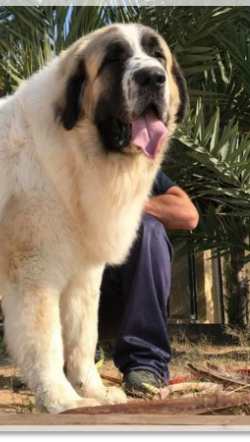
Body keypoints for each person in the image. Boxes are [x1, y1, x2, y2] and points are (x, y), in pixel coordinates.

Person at [98, 170, 199, 396]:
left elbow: (187, 214)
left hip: (112, 301)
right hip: (59, 296)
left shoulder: (133, 161)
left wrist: (118, 203)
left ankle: (144, 365)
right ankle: (68, 356)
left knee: (148, 228)